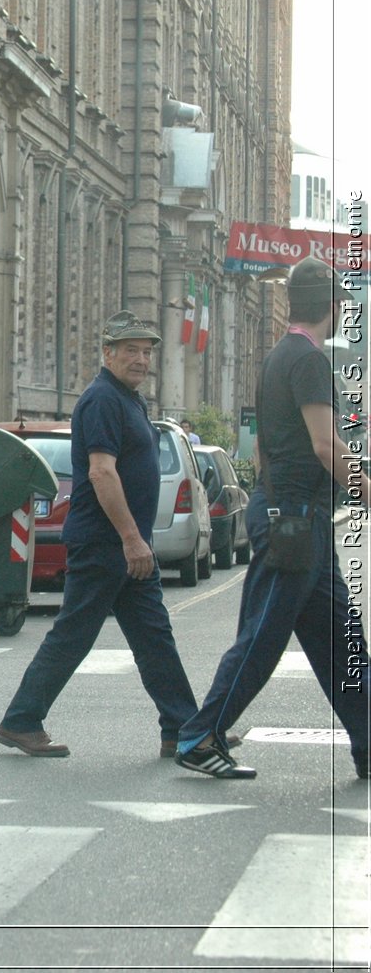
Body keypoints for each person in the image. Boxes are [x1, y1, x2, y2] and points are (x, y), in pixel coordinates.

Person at [175, 260, 368, 780]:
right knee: (262, 639)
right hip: (296, 518)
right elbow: (327, 445)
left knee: (343, 641)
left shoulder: (279, 357)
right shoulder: (308, 362)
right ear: (331, 308)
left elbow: (262, 450)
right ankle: (199, 736)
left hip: (297, 517)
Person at [0, 310, 198, 757]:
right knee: (74, 634)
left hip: (124, 547)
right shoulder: (103, 399)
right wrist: (131, 538)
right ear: (107, 353)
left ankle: (183, 728)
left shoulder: (128, 398)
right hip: (107, 544)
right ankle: (21, 721)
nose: (141, 360)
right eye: (131, 351)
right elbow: (102, 474)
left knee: (153, 636)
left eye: (146, 352)